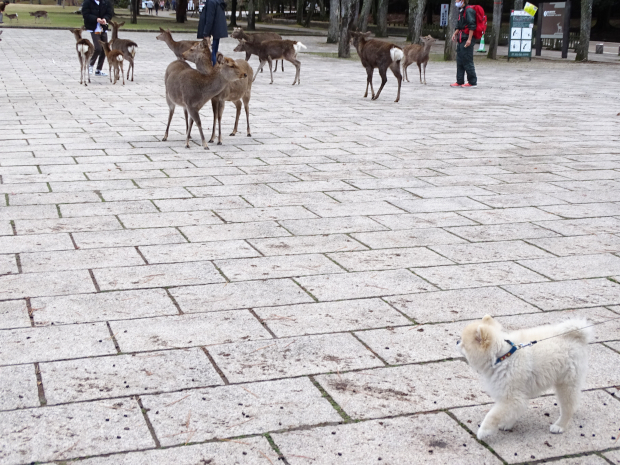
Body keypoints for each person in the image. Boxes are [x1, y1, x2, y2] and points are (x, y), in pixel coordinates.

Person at [82, 0, 114, 77]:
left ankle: (98, 70)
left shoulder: (106, 2)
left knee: (105, 49)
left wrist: (105, 19)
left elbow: (109, 13)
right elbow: (85, 14)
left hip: (103, 28)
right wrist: (96, 19)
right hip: (93, 28)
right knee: (98, 48)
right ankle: (90, 64)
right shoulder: (88, 2)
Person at [450, 0, 477, 88]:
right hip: (461, 38)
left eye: (457, 0)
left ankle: (472, 82)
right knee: (460, 60)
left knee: (467, 60)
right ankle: (459, 80)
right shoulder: (461, 10)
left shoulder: (469, 10)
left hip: (466, 38)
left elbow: (471, 25)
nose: (456, 2)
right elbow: (460, 25)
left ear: (463, 1)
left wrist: (469, 39)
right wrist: (455, 33)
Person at [198, 0, 227, 66]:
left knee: (212, 53)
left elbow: (209, 19)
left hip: (212, 32)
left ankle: (213, 71)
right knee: (214, 51)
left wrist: (206, 33)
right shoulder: (217, 2)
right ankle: (215, 70)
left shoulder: (211, 2)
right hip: (216, 31)